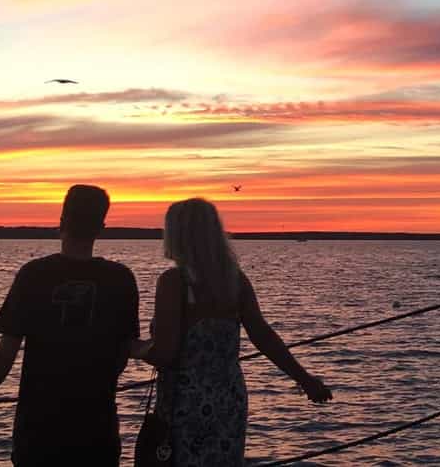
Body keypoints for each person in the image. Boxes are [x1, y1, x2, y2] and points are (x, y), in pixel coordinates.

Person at [133, 198, 330, 466]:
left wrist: (134, 347)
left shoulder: (174, 283)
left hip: (185, 404)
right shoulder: (235, 281)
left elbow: (165, 352)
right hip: (229, 401)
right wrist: (305, 379)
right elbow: (263, 336)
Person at [0, 184, 140, 467]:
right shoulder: (121, 279)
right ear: (101, 228)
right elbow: (122, 355)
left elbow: (6, 353)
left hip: (39, 435)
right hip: (97, 433)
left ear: (61, 223)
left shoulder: (34, 275)